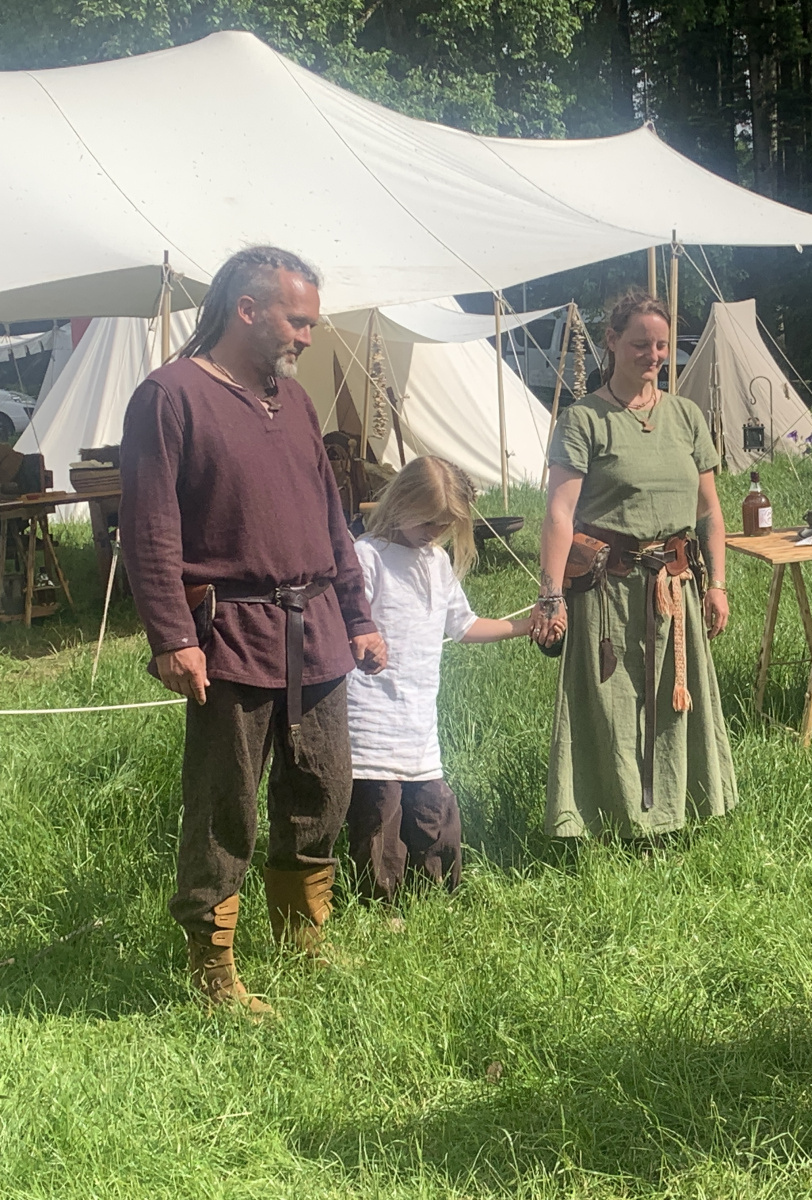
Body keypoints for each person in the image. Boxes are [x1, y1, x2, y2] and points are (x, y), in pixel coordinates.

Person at [120, 246, 387, 1017]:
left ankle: (303, 939)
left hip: (317, 631)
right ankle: (213, 971)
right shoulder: (169, 396)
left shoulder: (293, 401)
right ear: (246, 309)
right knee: (224, 806)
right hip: (231, 633)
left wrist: (359, 616)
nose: (307, 335)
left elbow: (332, 520)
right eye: (296, 321)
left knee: (323, 790)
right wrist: (173, 637)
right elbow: (149, 530)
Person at [531, 290, 737, 839]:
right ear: (612, 341)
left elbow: (710, 512)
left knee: (674, 700)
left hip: (676, 586)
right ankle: (613, 822)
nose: (654, 355)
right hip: (607, 590)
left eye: (662, 345)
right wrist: (550, 597)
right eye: (641, 343)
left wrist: (717, 584)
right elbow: (558, 513)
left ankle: (675, 814)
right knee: (612, 704)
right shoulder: (583, 419)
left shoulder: (687, 417)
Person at [344, 456, 535, 909]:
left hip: (418, 723)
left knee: (435, 814)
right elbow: (347, 627)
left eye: (445, 523)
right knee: (380, 820)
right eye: (427, 520)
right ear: (402, 503)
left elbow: (463, 625)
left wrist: (524, 626)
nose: (435, 531)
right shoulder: (367, 556)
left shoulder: (436, 562)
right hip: (371, 721)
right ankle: (381, 908)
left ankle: (434, 902)